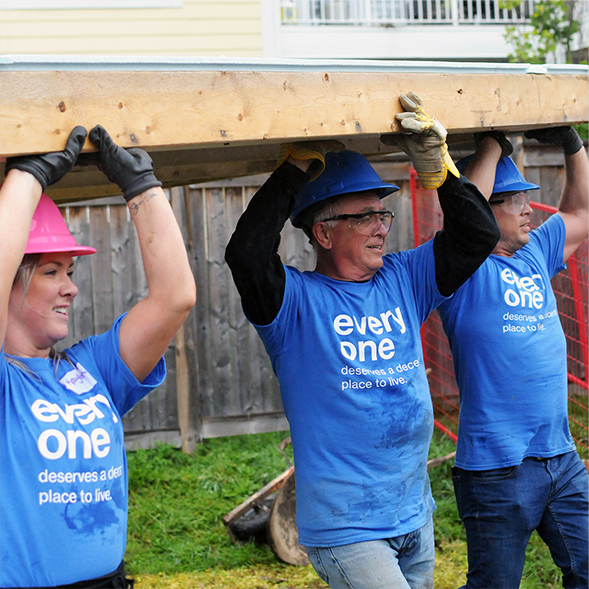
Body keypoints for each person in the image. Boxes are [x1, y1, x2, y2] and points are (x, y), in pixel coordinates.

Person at [225, 92, 500, 589]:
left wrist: (438, 171)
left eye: (383, 215)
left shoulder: (404, 278)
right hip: (348, 527)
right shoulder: (294, 304)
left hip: (414, 513)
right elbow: (246, 253)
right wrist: (294, 169)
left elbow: (477, 235)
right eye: (366, 216)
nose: (381, 226)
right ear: (324, 233)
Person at [0, 125, 196, 587]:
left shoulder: (90, 369)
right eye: (51, 271)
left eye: (70, 270)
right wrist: (27, 178)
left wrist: (141, 186)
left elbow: (175, 297)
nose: (71, 287)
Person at [437, 127, 589, 589]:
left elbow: (581, 211)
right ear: (484, 208)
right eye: (513, 200)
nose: (528, 209)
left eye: (527, 198)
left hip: (561, 458)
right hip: (496, 470)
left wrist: (572, 144)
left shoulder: (538, 252)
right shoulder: (457, 269)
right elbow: (463, 221)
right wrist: (492, 147)